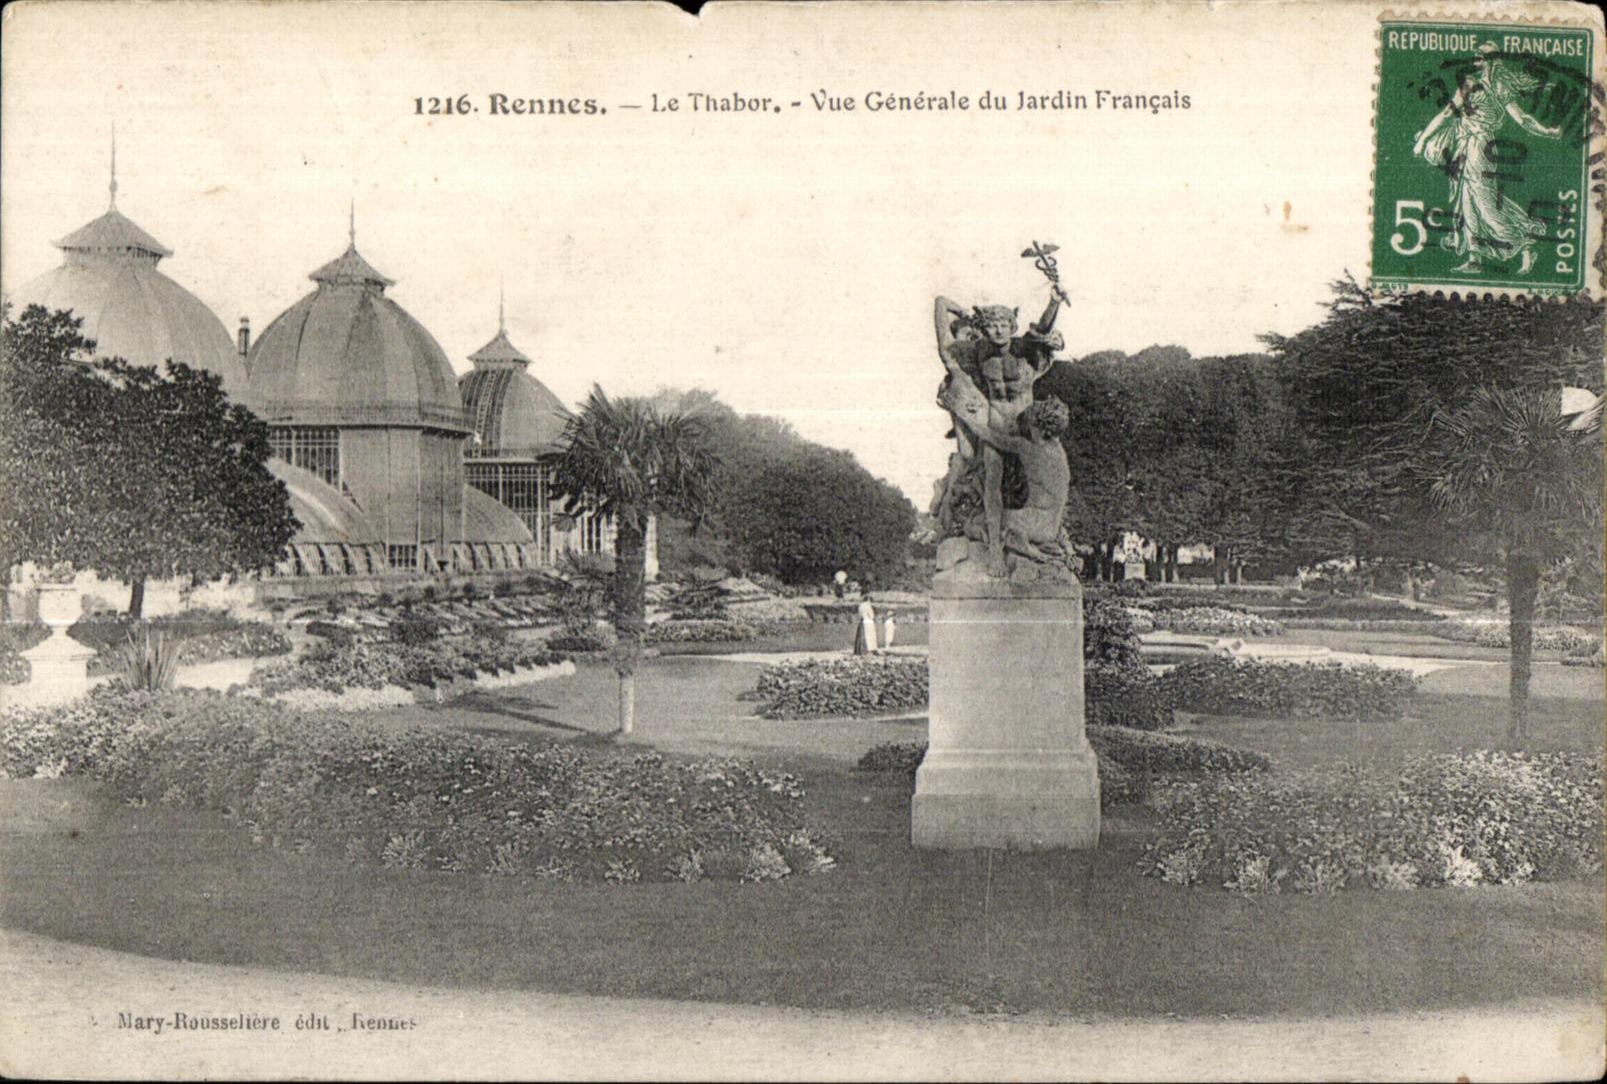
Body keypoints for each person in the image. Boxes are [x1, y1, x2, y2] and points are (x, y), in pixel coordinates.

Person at [1412, 45, 1564, 275]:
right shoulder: (1469, 83)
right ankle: (1475, 258)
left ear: (1493, 61)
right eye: (1476, 58)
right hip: (1463, 146)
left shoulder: (1500, 86)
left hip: (1482, 147)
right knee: (1467, 202)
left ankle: (1524, 243)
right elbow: (1446, 113)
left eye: (1481, 58)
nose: (1476, 62)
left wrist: (1547, 132)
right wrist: (1423, 140)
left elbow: (1522, 119)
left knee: (1485, 203)